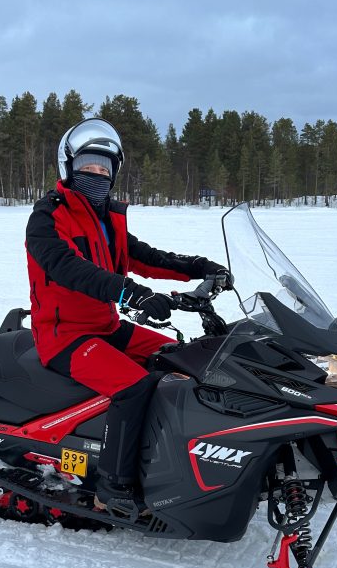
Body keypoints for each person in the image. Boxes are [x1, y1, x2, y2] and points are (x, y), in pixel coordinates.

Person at [26, 118, 232, 514]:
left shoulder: (107, 219)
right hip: (64, 337)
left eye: (105, 169)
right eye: (89, 167)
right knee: (134, 387)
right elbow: (69, 268)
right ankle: (113, 484)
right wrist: (130, 292)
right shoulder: (48, 218)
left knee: (184, 358)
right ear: (69, 168)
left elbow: (146, 257)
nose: (97, 175)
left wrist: (199, 267)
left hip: (105, 327)